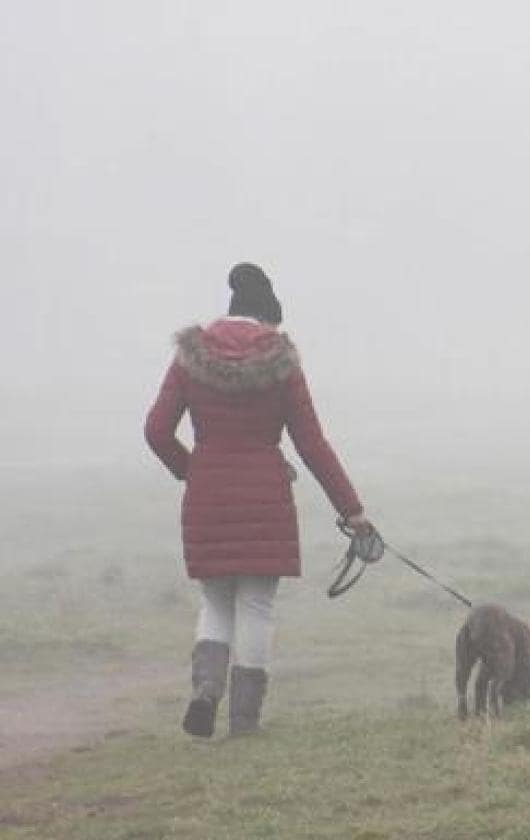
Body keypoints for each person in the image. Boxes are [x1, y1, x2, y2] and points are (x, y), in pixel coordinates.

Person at [145, 263, 371, 738]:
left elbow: (157, 431)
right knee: (255, 607)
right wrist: (352, 511)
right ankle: (244, 722)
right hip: (265, 498)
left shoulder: (190, 357)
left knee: (215, 602)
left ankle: (206, 690)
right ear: (268, 320)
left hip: (207, 496)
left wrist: (194, 471)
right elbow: (312, 443)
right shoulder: (281, 362)